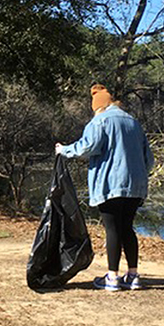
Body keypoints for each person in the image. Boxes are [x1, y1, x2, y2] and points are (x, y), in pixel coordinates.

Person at [55, 84, 154, 292]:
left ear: (99, 106)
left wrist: (64, 150)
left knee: (112, 228)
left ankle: (112, 278)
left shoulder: (100, 120)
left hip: (110, 184)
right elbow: (149, 159)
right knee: (127, 227)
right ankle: (133, 276)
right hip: (135, 186)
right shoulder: (133, 122)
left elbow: (87, 147)